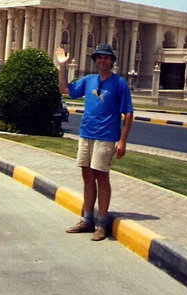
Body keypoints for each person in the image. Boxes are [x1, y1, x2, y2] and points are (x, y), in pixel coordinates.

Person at [56, 44, 133, 241]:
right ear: (95, 60)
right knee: (87, 177)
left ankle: (101, 223)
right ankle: (87, 219)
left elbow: (128, 113)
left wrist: (122, 141)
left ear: (112, 61)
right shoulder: (89, 81)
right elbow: (64, 89)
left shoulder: (119, 84)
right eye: (99, 58)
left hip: (106, 137)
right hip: (86, 134)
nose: (102, 61)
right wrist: (62, 65)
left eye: (106, 58)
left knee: (101, 178)